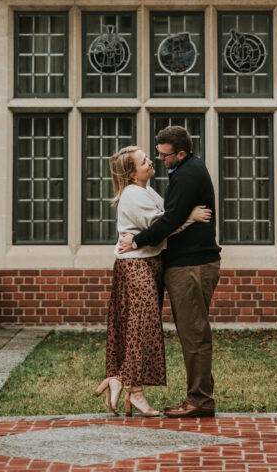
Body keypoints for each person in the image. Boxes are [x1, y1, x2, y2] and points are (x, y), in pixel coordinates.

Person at [95, 144, 210, 417]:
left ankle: (121, 380)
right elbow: (162, 225)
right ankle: (133, 390)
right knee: (141, 329)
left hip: (147, 264)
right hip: (137, 267)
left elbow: (166, 218)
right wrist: (191, 216)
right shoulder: (133, 195)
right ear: (132, 173)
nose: (150, 161)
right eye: (143, 161)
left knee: (139, 328)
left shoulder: (145, 190)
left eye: (147, 157)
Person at [118, 125, 221, 418]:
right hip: (188, 264)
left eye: (164, 156)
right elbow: (171, 216)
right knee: (193, 333)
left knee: (194, 335)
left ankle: (200, 400)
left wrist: (137, 240)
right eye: (156, 155)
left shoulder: (188, 174)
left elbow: (168, 220)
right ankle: (200, 396)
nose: (159, 160)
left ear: (181, 153)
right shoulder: (184, 170)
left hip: (192, 266)